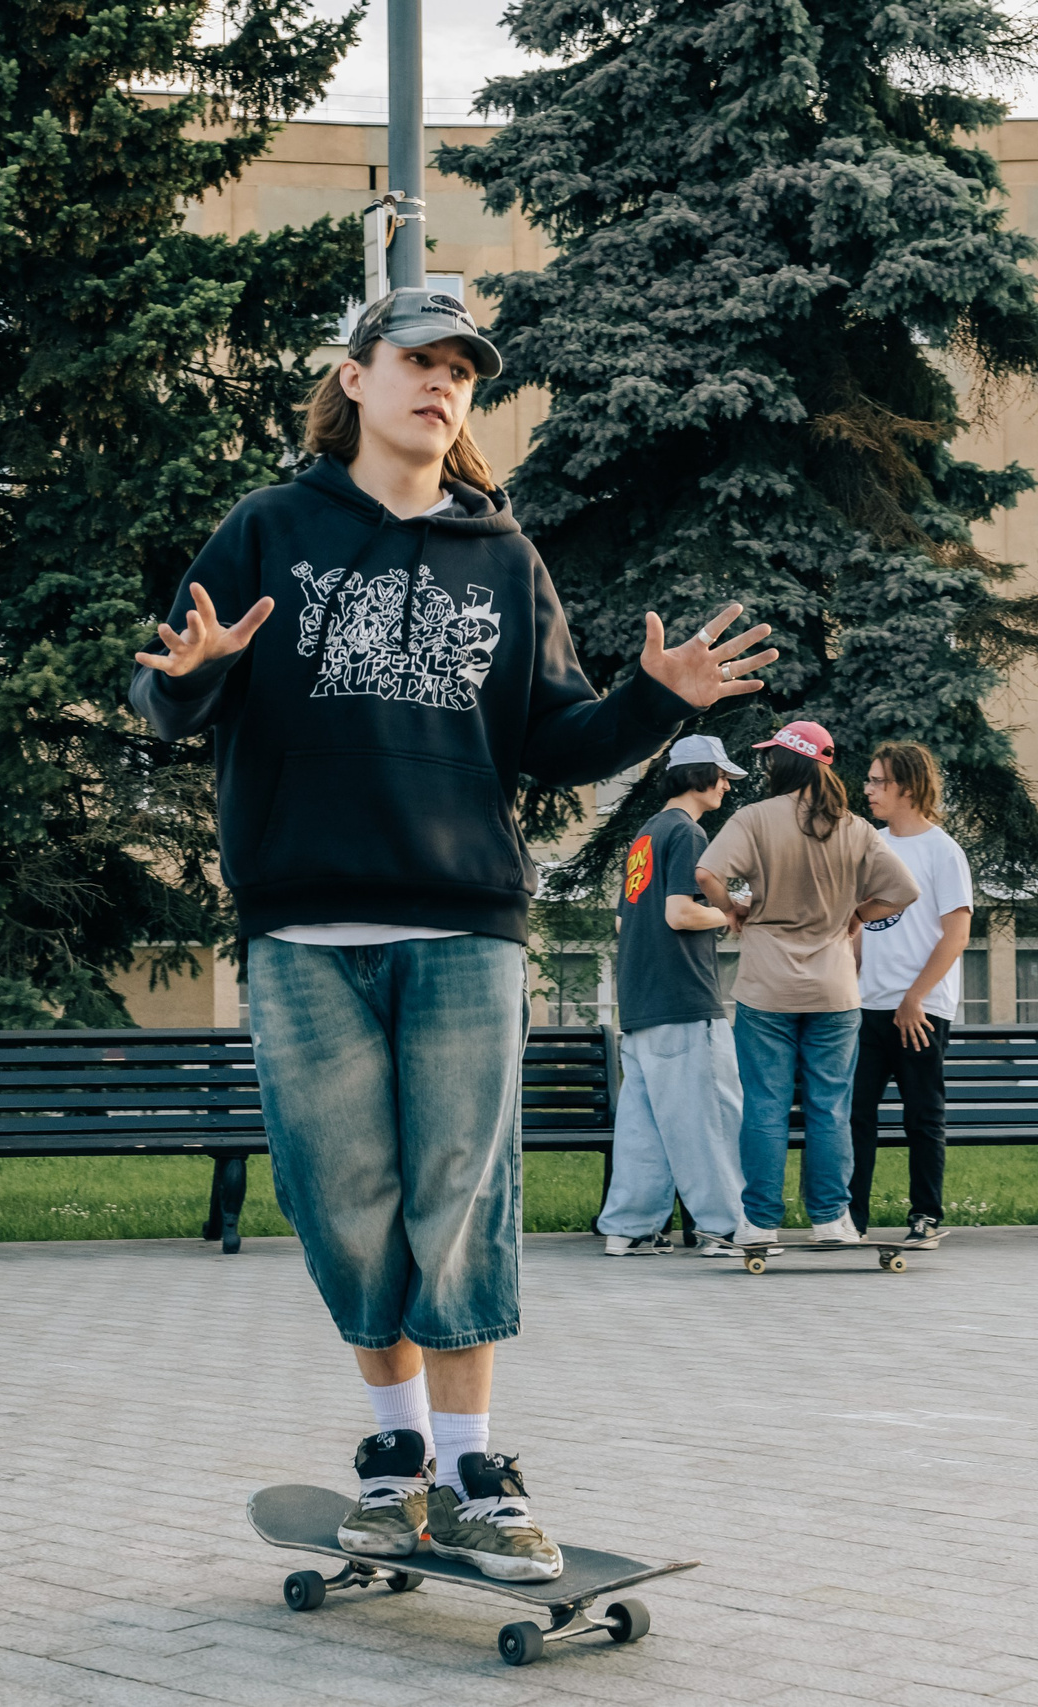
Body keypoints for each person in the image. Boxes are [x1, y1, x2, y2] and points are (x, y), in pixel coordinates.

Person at [129, 286, 777, 1582]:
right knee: (344, 1198)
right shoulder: (269, 530)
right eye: (416, 361)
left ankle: (476, 1464)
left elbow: (556, 741)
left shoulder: (502, 554)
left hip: (465, 924)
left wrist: (654, 700)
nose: (440, 385)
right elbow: (167, 694)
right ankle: (394, 1450)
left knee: (461, 1193)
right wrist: (186, 676)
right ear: (356, 377)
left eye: (461, 372)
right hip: (304, 925)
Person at [694, 722, 918, 1247]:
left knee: (766, 1105)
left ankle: (759, 1223)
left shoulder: (754, 819)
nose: (768, 765)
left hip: (766, 988)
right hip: (835, 990)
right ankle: (831, 1221)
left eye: (772, 757)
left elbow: (707, 873)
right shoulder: (856, 828)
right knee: (829, 1106)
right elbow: (904, 890)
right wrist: (855, 914)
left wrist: (733, 911)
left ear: (787, 762)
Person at [598, 734, 750, 1258]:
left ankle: (630, 1227)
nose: (728, 785)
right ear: (700, 776)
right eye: (724, 776)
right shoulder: (687, 833)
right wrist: (729, 914)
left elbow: (625, 922)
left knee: (645, 1126)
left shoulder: (645, 835)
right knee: (709, 1115)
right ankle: (723, 1228)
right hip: (683, 999)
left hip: (640, 1004)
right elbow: (680, 913)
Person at [850, 741, 976, 1247]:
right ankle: (849, 1218)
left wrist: (914, 998)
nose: (869, 790)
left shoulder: (943, 852)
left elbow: (957, 934)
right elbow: (856, 922)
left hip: (920, 1010)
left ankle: (925, 1214)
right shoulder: (870, 845)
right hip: (866, 1005)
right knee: (856, 1114)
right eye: (869, 780)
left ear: (907, 786)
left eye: (878, 781)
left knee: (922, 1115)